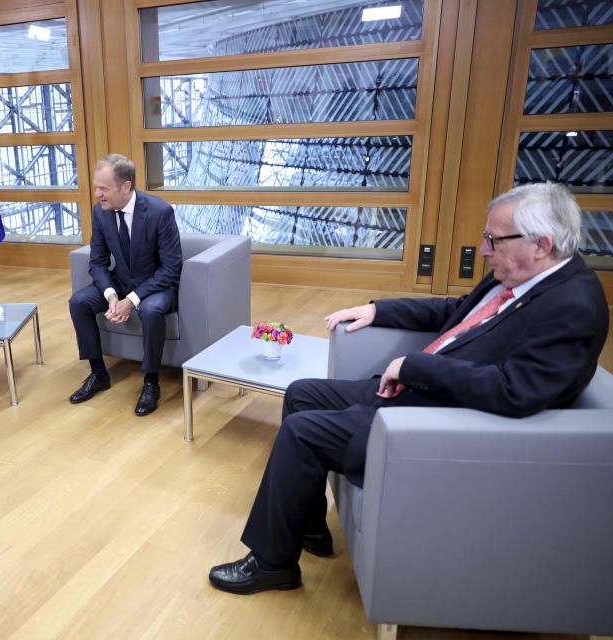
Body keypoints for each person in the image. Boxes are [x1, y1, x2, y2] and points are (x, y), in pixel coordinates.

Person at [209, 182, 609, 594]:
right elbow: (456, 312)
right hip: (415, 394)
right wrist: (377, 309)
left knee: (301, 431)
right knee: (301, 393)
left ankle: (273, 563)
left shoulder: (572, 306)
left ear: (541, 244)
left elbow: (515, 391)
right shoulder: (521, 277)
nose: (484, 250)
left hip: (435, 421)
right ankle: (307, 525)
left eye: (493, 239)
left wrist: (416, 367)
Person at [68, 154, 183, 416]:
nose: (97, 194)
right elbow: (96, 262)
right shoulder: (100, 212)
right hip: (119, 282)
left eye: (103, 188)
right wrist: (111, 296)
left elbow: (170, 268)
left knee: (152, 311)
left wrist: (130, 300)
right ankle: (99, 374)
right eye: (97, 187)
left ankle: (151, 383)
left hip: (155, 285)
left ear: (126, 187)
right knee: (79, 302)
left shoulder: (160, 212)